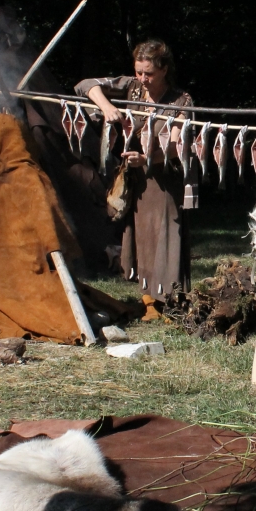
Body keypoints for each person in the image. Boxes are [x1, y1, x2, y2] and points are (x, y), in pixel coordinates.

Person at [75, 40, 192, 315]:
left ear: (164, 69)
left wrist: (147, 160)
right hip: (136, 180)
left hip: (164, 179)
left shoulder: (181, 100)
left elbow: (176, 145)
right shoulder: (132, 88)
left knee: (165, 236)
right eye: (139, 71)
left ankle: (170, 302)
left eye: (148, 73)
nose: (143, 78)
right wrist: (105, 106)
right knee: (142, 237)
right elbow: (85, 84)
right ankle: (149, 300)